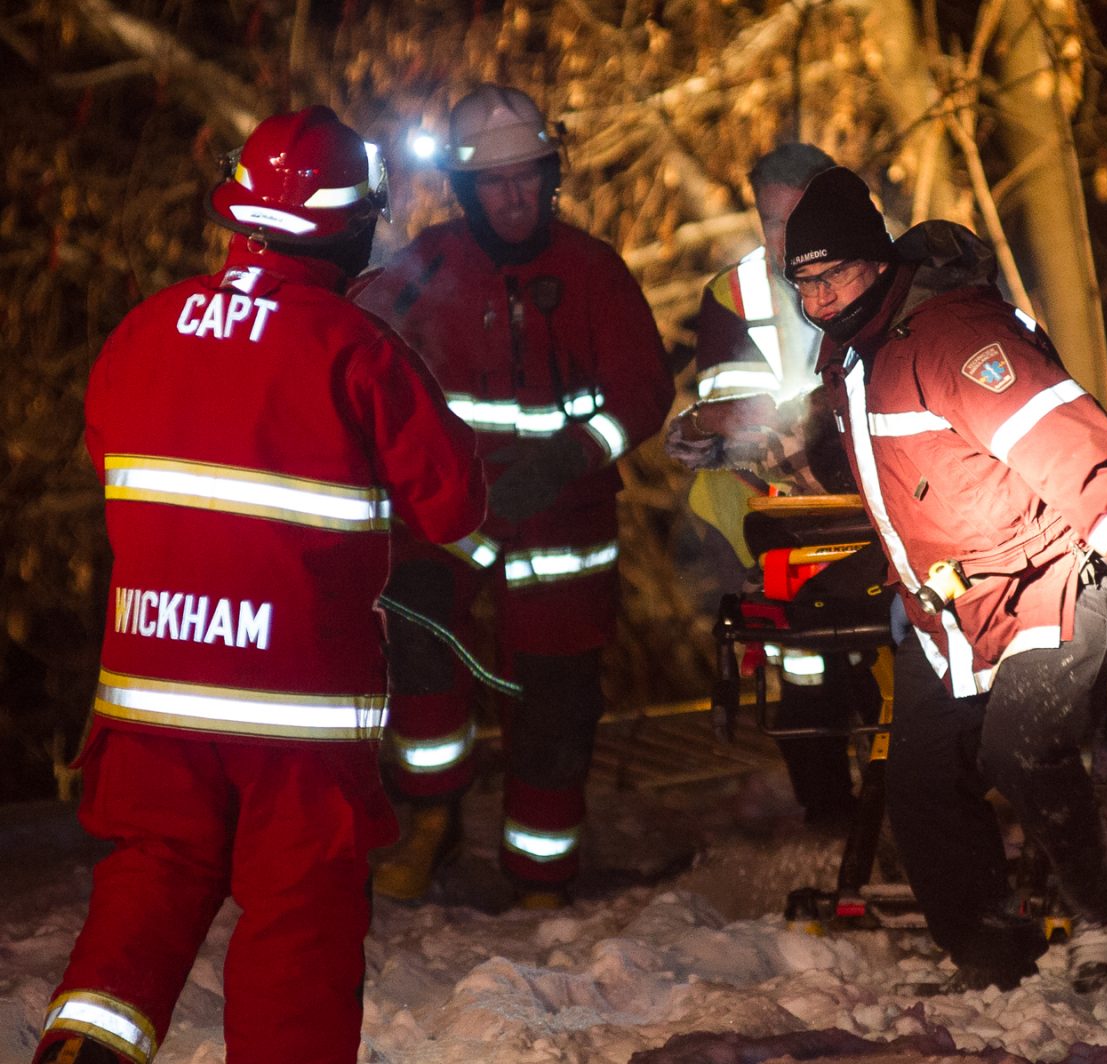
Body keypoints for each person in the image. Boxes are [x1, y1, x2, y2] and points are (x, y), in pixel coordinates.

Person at [32, 107, 484, 1064]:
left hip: (153, 698)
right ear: (353, 226)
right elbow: (454, 504)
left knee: (148, 888)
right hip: (296, 717)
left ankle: (83, 1049)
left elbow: (114, 457)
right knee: (298, 923)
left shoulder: (141, 332)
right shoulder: (358, 351)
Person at [780, 166, 1107, 992]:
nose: (821, 296)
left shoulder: (958, 336)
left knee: (1022, 746)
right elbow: (888, 457)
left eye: (837, 274)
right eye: (805, 281)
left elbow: (1066, 438)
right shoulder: (852, 351)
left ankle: (1104, 915)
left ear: (879, 263)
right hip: (955, 608)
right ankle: (992, 953)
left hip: (1053, 575)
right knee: (919, 783)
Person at [353, 84, 674, 908]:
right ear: (465, 191)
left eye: (529, 176)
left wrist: (570, 457)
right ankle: (430, 822)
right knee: (417, 656)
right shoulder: (426, 268)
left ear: (551, 174)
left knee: (558, 697)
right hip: (450, 515)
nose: (516, 194)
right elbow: (361, 352)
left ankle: (541, 875)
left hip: (564, 523)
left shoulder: (592, 270)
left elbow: (643, 390)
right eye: (496, 182)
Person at [666, 143, 880, 830]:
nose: (783, 240)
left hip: (882, 508)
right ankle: (830, 818)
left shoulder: (881, 269)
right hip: (787, 522)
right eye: (770, 221)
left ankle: (905, 808)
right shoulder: (735, 297)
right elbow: (738, 415)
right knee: (807, 674)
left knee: (895, 667)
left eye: (799, 218)